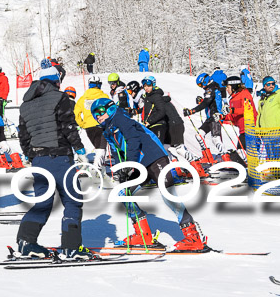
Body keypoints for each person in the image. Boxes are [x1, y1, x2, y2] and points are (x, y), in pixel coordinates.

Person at [91, 98, 210, 252]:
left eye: (100, 112)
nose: (98, 116)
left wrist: (130, 164)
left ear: (109, 109)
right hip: (139, 164)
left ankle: (193, 236)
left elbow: (133, 140)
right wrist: (121, 170)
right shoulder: (107, 129)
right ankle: (143, 234)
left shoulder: (120, 117)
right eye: (95, 114)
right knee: (123, 194)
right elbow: (116, 151)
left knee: (168, 195)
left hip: (154, 157)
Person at [16, 66, 93, 260]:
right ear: (56, 81)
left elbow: (23, 136)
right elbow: (68, 126)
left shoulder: (26, 104)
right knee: (72, 200)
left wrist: (30, 156)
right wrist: (80, 150)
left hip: (39, 161)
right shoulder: (60, 98)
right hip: (59, 157)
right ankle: (71, 247)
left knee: (43, 202)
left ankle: (26, 242)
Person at [183, 74, 225, 163]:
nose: (201, 87)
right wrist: (202, 100)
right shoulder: (210, 89)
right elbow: (209, 102)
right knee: (199, 135)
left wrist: (192, 111)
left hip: (215, 117)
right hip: (210, 118)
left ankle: (225, 157)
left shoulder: (211, 88)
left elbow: (206, 103)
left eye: (200, 84)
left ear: (205, 81)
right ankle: (207, 156)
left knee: (215, 139)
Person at [74, 75, 109, 172]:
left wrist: (82, 124)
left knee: (98, 148)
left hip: (89, 128)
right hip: (100, 125)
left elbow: (76, 113)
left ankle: (99, 168)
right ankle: (96, 169)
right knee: (101, 149)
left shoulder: (83, 98)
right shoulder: (104, 96)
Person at [223, 75, 256, 150]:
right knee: (241, 152)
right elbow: (233, 116)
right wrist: (223, 117)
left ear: (233, 86)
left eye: (228, 87)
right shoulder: (232, 99)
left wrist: (232, 110)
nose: (227, 90)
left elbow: (247, 109)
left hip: (250, 128)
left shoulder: (244, 94)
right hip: (242, 130)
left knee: (241, 152)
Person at [140, 76, 167, 142]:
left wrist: (150, 121)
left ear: (153, 85)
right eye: (145, 86)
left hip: (158, 125)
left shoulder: (156, 96)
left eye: (148, 86)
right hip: (150, 126)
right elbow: (148, 109)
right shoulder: (148, 96)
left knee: (158, 147)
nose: (146, 88)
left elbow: (162, 111)